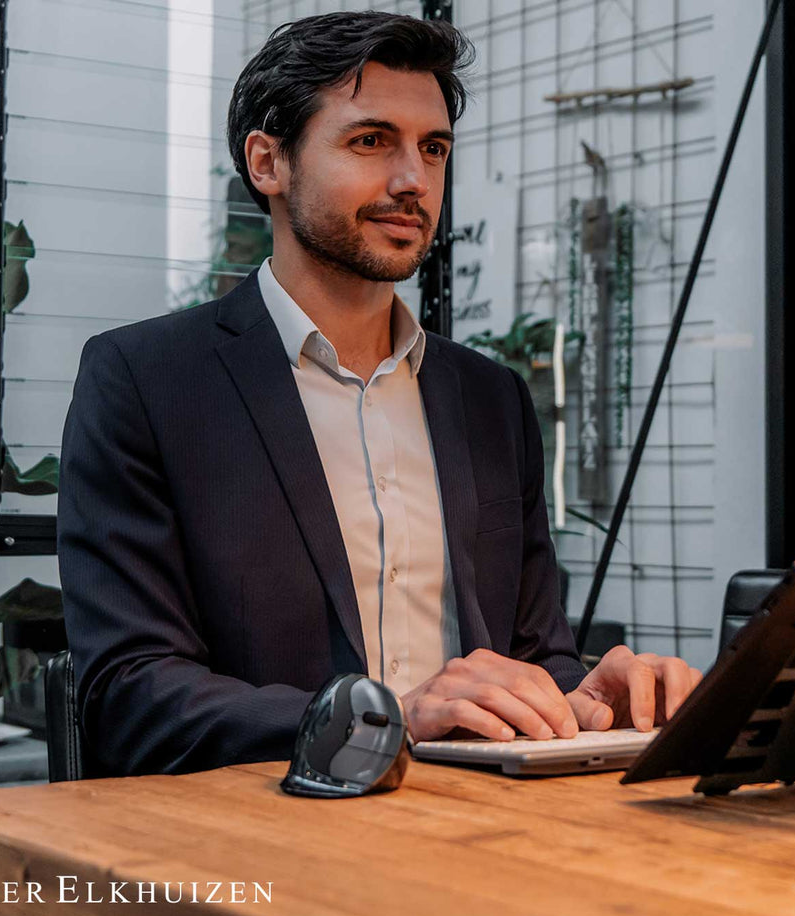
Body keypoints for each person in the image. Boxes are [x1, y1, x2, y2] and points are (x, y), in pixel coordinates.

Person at [57, 10, 701, 777]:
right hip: (265, 837)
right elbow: (129, 694)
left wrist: (585, 698)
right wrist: (382, 722)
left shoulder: (490, 399)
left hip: (482, 833)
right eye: (371, 141)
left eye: (432, 149)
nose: (412, 180)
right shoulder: (147, 381)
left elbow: (530, 656)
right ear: (269, 163)